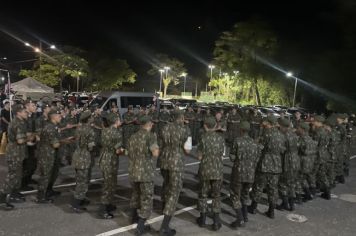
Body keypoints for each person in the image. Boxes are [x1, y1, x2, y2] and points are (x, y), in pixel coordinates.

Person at [159, 110, 191, 236]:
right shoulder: (185, 130)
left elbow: (160, 145)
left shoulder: (164, 128)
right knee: (174, 191)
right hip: (176, 163)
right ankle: (164, 226)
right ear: (181, 117)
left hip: (164, 160)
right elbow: (188, 150)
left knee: (166, 184)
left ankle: (163, 206)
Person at [249, 115, 286, 219]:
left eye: (265, 122)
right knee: (273, 188)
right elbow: (283, 150)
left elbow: (261, 148)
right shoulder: (281, 135)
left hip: (265, 163)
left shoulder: (267, 134)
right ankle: (271, 211)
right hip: (277, 164)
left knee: (258, 186)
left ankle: (253, 207)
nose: (263, 123)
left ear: (269, 123)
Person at [127, 115, 159, 235]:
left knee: (136, 194)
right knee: (146, 198)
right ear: (149, 124)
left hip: (134, 170)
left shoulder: (133, 136)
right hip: (145, 173)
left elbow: (129, 153)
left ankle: (133, 217)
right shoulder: (151, 136)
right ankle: (140, 227)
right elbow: (155, 153)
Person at [229, 121, 262, 227]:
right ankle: (245, 215)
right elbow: (257, 158)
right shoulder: (254, 143)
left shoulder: (237, 141)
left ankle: (240, 218)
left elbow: (232, 157)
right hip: (250, 173)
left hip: (239, 172)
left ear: (241, 130)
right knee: (245, 195)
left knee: (235, 195)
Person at [36, 108, 71, 203]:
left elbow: (57, 141)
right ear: (53, 117)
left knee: (53, 174)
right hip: (47, 155)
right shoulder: (49, 128)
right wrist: (65, 141)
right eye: (59, 116)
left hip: (53, 154)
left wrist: (65, 140)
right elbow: (55, 144)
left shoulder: (54, 126)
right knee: (45, 175)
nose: (61, 117)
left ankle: (49, 191)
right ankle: (41, 196)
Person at [196, 117, 225, 231]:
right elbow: (222, 154)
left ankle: (202, 220)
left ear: (205, 125)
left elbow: (199, 156)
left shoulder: (203, 138)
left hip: (205, 170)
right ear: (215, 126)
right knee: (216, 196)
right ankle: (216, 222)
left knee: (203, 194)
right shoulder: (221, 139)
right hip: (218, 170)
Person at [0, 104, 28, 210]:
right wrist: (29, 137)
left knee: (17, 175)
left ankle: (13, 193)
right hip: (15, 153)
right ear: (18, 113)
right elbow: (20, 140)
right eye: (24, 111)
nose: (26, 113)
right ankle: (2, 199)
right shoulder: (17, 123)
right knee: (12, 176)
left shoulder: (20, 122)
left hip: (18, 153)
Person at [98, 113, 124, 219]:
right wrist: (125, 151)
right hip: (111, 161)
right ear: (115, 121)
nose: (120, 121)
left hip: (103, 159)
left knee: (109, 183)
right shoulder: (117, 133)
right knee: (109, 186)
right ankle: (103, 210)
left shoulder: (104, 131)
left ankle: (108, 204)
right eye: (118, 119)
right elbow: (118, 151)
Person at [70, 110, 96, 212]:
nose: (93, 117)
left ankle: (81, 199)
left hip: (77, 155)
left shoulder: (79, 128)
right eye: (92, 116)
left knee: (79, 180)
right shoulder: (90, 130)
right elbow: (91, 146)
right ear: (89, 119)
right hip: (84, 157)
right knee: (83, 182)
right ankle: (76, 204)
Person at [277, 118, 300, 211]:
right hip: (295, 159)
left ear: (282, 126)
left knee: (283, 183)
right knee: (291, 183)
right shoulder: (294, 134)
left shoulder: (284, 136)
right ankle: (292, 204)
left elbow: (281, 149)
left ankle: (285, 204)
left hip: (287, 160)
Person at [297, 122, 318, 200]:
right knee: (303, 179)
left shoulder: (302, 139)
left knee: (298, 179)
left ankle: (299, 197)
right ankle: (308, 194)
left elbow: (299, 150)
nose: (297, 129)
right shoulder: (310, 138)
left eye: (298, 128)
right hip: (309, 163)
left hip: (302, 162)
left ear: (302, 130)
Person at [21, 100, 38, 191]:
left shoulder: (31, 116)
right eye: (33, 105)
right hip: (26, 145)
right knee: (27, 165)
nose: (35, 107)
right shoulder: (25, 117)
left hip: (31, 143)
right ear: (27, 106)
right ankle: (23, 184)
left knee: (33, 164)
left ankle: (28, 179)